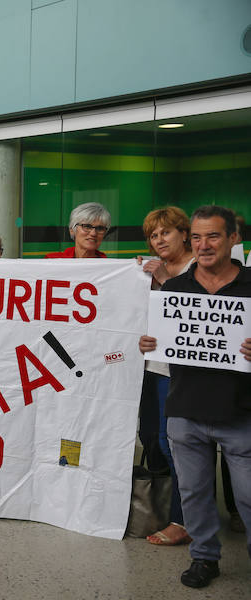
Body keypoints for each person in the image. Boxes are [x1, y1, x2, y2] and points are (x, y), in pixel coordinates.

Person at [138, 205, 251, 589]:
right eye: (198, 236)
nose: (204, 245)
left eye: (214, 236)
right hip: (185, 408)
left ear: (234, 238)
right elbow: (160, 339)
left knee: (249, 496)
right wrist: (149, 343)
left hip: (240, 411)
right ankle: (204, 557)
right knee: (194, 492)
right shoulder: (175, 289)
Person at [135, 207, 194, 546]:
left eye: (165, 232)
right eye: (154, 235)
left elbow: (196, 310)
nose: (159, 240)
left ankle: (183, 520)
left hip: (181, 375)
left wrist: (163, 281)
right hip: (150, 368)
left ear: (184, 234)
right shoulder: (151, 272)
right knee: (152, 438)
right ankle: (163, 507)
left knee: (177, 446)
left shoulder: (195, 269)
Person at [45, 202, 110, 258]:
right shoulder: (53, 261)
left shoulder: (111, 267)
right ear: (72, 230)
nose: (93, 233)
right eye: (87, 226)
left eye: (100, 228)